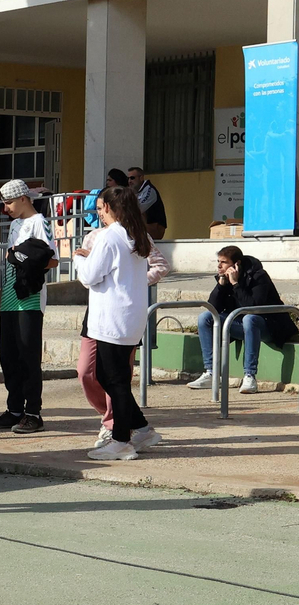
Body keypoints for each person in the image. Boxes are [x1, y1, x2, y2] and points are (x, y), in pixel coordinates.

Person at [77, 186, 161, 460]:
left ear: (111, 209)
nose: (100, 214)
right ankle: (142, 428)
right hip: (128, 316)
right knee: (110, 376)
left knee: (114, 379)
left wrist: (79, 258)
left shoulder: (111, 237)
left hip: (112, 317)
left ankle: (122, 439)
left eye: (102, 209)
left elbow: (90, 276)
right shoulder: (136, 235)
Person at [0, 179, 56, 433]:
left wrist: (24, 258)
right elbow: (9, 261)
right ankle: (14, 408)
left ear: (24, 198)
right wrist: (1, 298)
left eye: (9, 202)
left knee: (28, 357)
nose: (6, 208)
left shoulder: (40, 222)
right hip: (11, 299)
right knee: (9, 356)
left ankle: (33, 412)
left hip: (30, 299)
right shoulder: (15, 224)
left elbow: (52, 260)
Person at [187, 246, 297, 395]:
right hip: (242, 324)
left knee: (249, 318)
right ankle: (211, 372)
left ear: (236, 264)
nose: (219, 266)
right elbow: (213, 307)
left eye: (224, 262)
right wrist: (221, 285)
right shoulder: (224, 278)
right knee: (206, 318)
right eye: (218, 261)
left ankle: (250, 376)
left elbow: (252, 307)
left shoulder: (259, 276)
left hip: (269, 325)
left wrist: (235, 284)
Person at [128, 167, 168, 241]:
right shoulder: (135, 191)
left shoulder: (150, 190)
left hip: (155, 228)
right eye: (128, 178)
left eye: (132, 178)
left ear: (141, 178)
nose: (129, 181)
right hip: (145, 229)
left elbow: (138, 209)